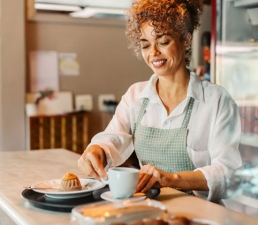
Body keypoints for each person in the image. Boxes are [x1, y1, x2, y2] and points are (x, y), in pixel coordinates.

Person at [78, 0, 242, 203]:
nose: (153, 53)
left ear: (186, 39)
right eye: (145, 45)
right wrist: (98, 149)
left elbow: (229, 174)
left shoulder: (216, 101)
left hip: (201, 214)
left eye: (163, 42)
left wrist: (170, 179)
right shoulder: (135, 96)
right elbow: (113, 137)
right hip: (149, 209)